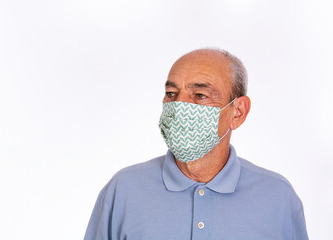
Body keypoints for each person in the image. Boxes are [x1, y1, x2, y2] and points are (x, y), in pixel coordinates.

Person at [83, 48, 308, 240]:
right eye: (171, 93)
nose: (179, 105)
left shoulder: (277, 197)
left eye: (200, 95)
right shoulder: (124, 190)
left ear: (237, 112)